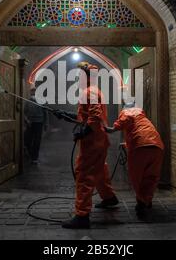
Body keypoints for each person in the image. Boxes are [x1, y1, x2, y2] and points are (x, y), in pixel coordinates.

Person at [54, 62, 118, 229]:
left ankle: (82, 216)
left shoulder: (89, 92)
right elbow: (87, 115)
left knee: (84, 174)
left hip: (93, 141)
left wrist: (84, 132)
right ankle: (109, 198)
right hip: (99, 140)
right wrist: (65, 115)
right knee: (99, 170)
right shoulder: (95, 91)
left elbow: (94, 116)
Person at [105, 102, 164, 218]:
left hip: (140, 148)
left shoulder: (128, 112)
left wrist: (113, 128)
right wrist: (127, 143)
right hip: (157, 147)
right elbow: (141, 131)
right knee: (151, 177)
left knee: (137, 177)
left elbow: (125, 120)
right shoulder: (142, 117)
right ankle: (147, 200)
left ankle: (142, 203)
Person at [24, 87, 48, 164]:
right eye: (32, 92)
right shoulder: (28, 101)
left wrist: (46, 124)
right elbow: (24, 112)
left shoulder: (42, 101)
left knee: (37, 141)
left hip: (39, 123)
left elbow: (46, 113)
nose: (33, 93)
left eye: (34, 92)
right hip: (30, 123)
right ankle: (31, 154)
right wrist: (26, 120)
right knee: (28, 140)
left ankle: (34, 158)